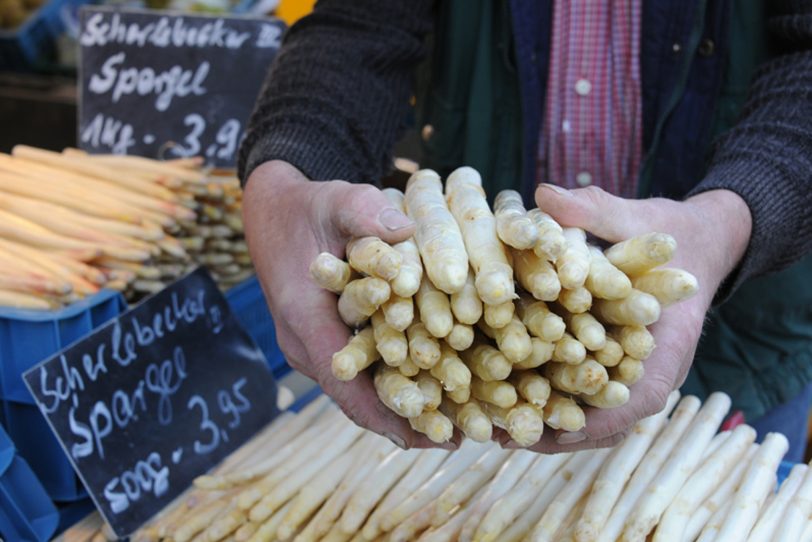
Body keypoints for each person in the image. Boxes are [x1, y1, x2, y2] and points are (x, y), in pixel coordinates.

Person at [238, 1, 812, 458]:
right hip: (475, 397)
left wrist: (733, 217)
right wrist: (284, 174)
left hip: (745, 340)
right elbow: (360, 26)